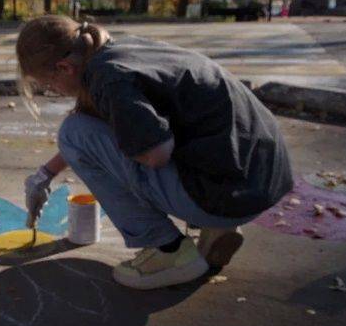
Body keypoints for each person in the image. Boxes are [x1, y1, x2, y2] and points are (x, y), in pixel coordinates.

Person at [18, 15, 293, 290]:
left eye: (48, 85)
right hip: (258, 180)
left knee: (73, 132)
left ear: (64, 67)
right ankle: (219, 228)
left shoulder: (108, 79)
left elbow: (156, 155)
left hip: (226, 195)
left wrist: (124, 155)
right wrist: (45, 174)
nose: (52, 91)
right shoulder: (121, 52)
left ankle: (169, 251)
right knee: (90, 134)